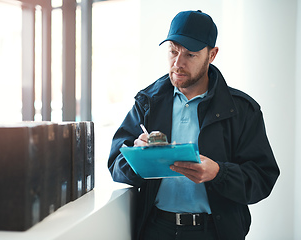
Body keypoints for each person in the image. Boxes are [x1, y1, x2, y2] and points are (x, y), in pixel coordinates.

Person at [107, 10, 280, 240]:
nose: (178, 63)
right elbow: (115, 164)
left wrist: (219, 173)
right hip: (156, 229)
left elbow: (263, 178)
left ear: (212, 55)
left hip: (214, 232)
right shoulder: (147, 103)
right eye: (173, 51)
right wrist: (138, 158)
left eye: (190, 54)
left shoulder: (242, 110)